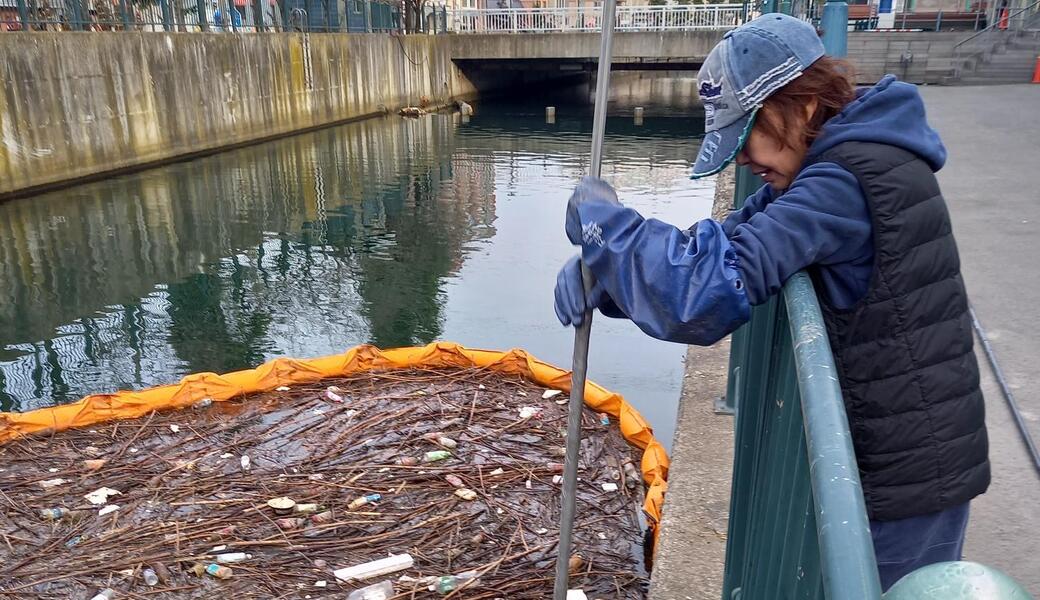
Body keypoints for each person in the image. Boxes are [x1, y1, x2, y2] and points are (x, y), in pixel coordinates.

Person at [553, 13, 989, 591]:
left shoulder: (847, 181)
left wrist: (607, 229)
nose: (741, 159)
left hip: (907, 475)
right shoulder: (833, 162)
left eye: (746, 134)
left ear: (801, 106)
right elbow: (724, 243)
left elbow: (701, 293)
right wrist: (610, 278)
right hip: (892, 453)